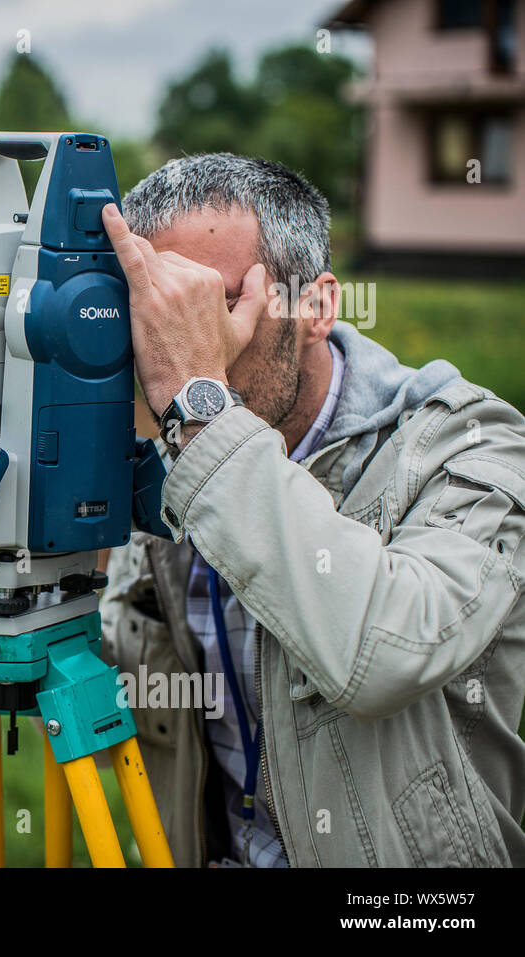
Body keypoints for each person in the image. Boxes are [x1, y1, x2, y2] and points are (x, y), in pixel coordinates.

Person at [96, 153, 525, 867]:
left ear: (319, 306)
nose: (169, 352)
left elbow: (387, 651)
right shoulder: (178, 454)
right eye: (156, 312)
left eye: (210, 309)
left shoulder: (472, 446)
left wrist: (203, 412)